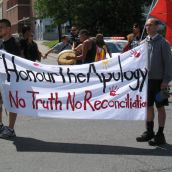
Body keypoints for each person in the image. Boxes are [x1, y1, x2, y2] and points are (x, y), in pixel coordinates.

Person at [136, 18, 172, 146]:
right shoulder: (143, 42)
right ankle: (149, 131)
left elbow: (168, 64)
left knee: (161, 107)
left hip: (161, 82)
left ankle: (160, 134)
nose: (147, 27)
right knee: (148, 106)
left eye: (150, 25)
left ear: (157, 27)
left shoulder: (164, 43)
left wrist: (166, 81)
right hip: (146, 81)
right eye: (146, 25)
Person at [0, 19, 22, 138]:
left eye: (1, 27)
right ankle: (0, 126)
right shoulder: (0, 43)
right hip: (1, 79)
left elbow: (21, 62)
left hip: (12, 80)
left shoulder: (16, 43)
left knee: (12, 103)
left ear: (8, 29)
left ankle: (10, 128)